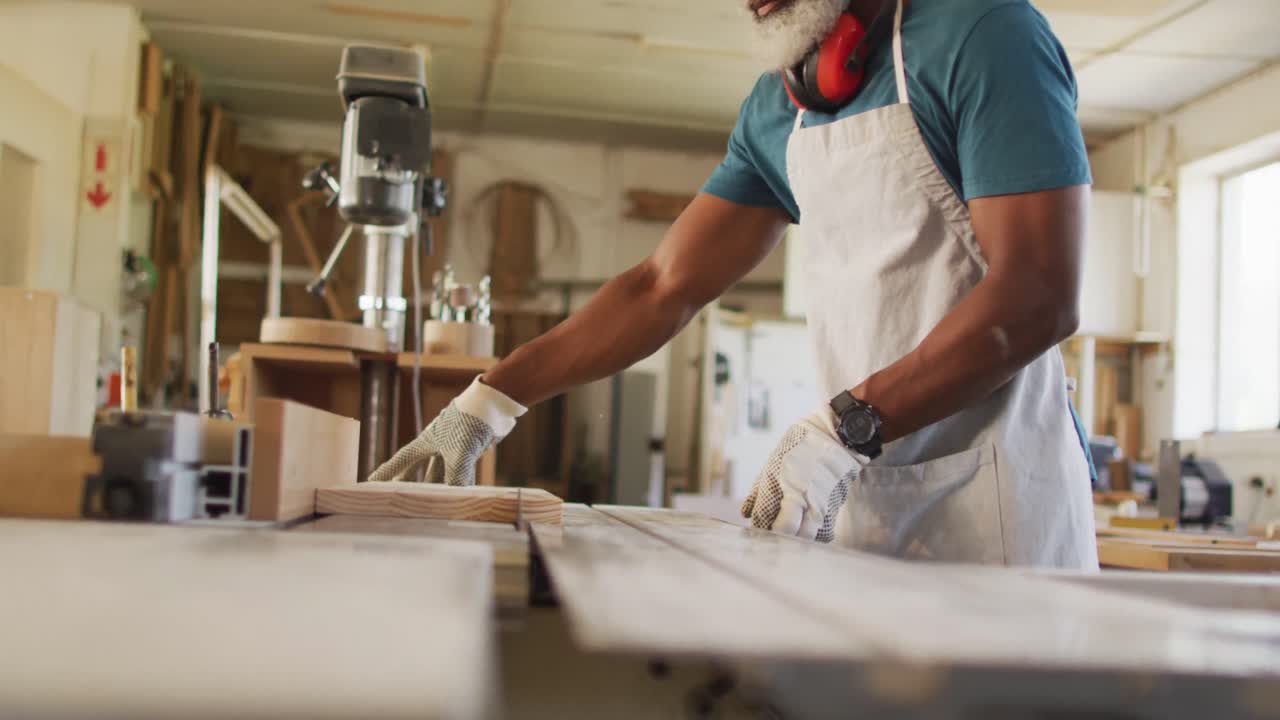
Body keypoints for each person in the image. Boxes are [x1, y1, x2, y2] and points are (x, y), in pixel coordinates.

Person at [371, 0, 1099, 569]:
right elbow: (662, 285)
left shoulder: (983, 35)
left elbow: (1038, 292)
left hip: (999, 527)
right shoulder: (779, 107)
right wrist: (488, 401)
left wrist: (847, 425)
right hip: (860, 511)